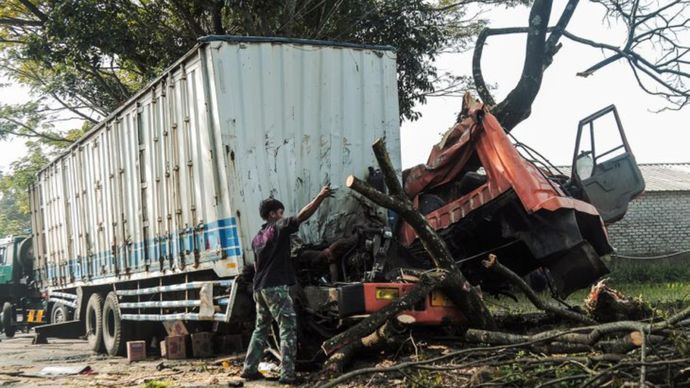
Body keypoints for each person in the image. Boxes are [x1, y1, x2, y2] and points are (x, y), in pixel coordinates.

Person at [241, 185, 332, 385]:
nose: (283, 215)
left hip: (260, 288)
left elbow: (257, 266)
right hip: (276, 287)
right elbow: (302, 216)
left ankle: (249, 369)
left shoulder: (258, 237)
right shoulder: (279, 228)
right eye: (281, 212)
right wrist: (320, 197)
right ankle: (287, 375)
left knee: (260, 328)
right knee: (288, 328)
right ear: (272, 214)